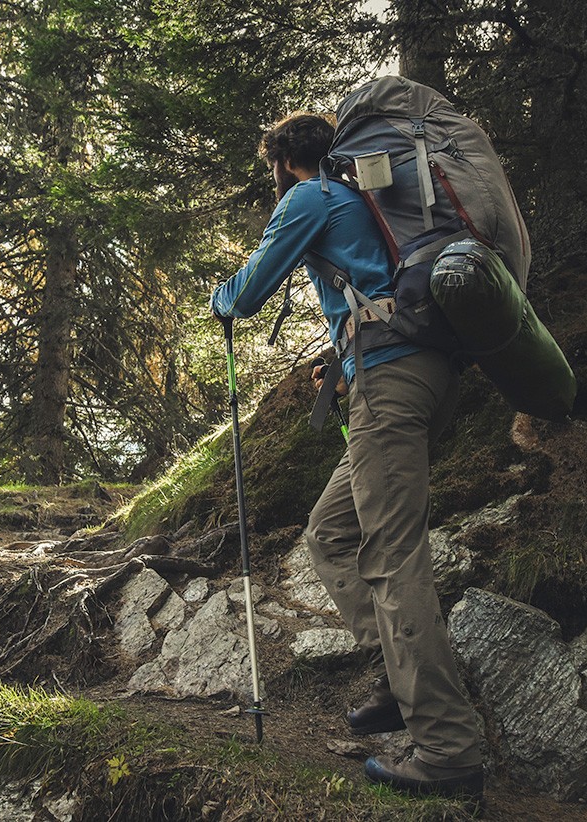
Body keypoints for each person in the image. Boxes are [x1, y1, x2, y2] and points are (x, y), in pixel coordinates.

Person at [210, 112, 484, 806]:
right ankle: (401, 676)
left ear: (283, 162)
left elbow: (248, 291)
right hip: (412, 373)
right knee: (330, 533)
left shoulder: (312, 195)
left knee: (391, 555)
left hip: (391, 383)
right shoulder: (364, 198)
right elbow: (373, 286)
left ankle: (448, 746)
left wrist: (220, 297)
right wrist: (342, 361)